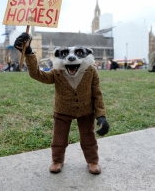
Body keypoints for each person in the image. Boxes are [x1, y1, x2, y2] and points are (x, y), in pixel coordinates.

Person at [14, 33, 109, 175]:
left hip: (86, 111)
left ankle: (93, 161)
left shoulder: (91, 71)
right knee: (59, 138)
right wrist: (28, 52)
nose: (71, 58)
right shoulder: (57, 72)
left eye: (78, 54)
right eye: (64, 55)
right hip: (62, 111)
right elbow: (37, 74)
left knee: (88, 138)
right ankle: (57, 160)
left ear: (88, 55)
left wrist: (101, 115)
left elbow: (97, 93)